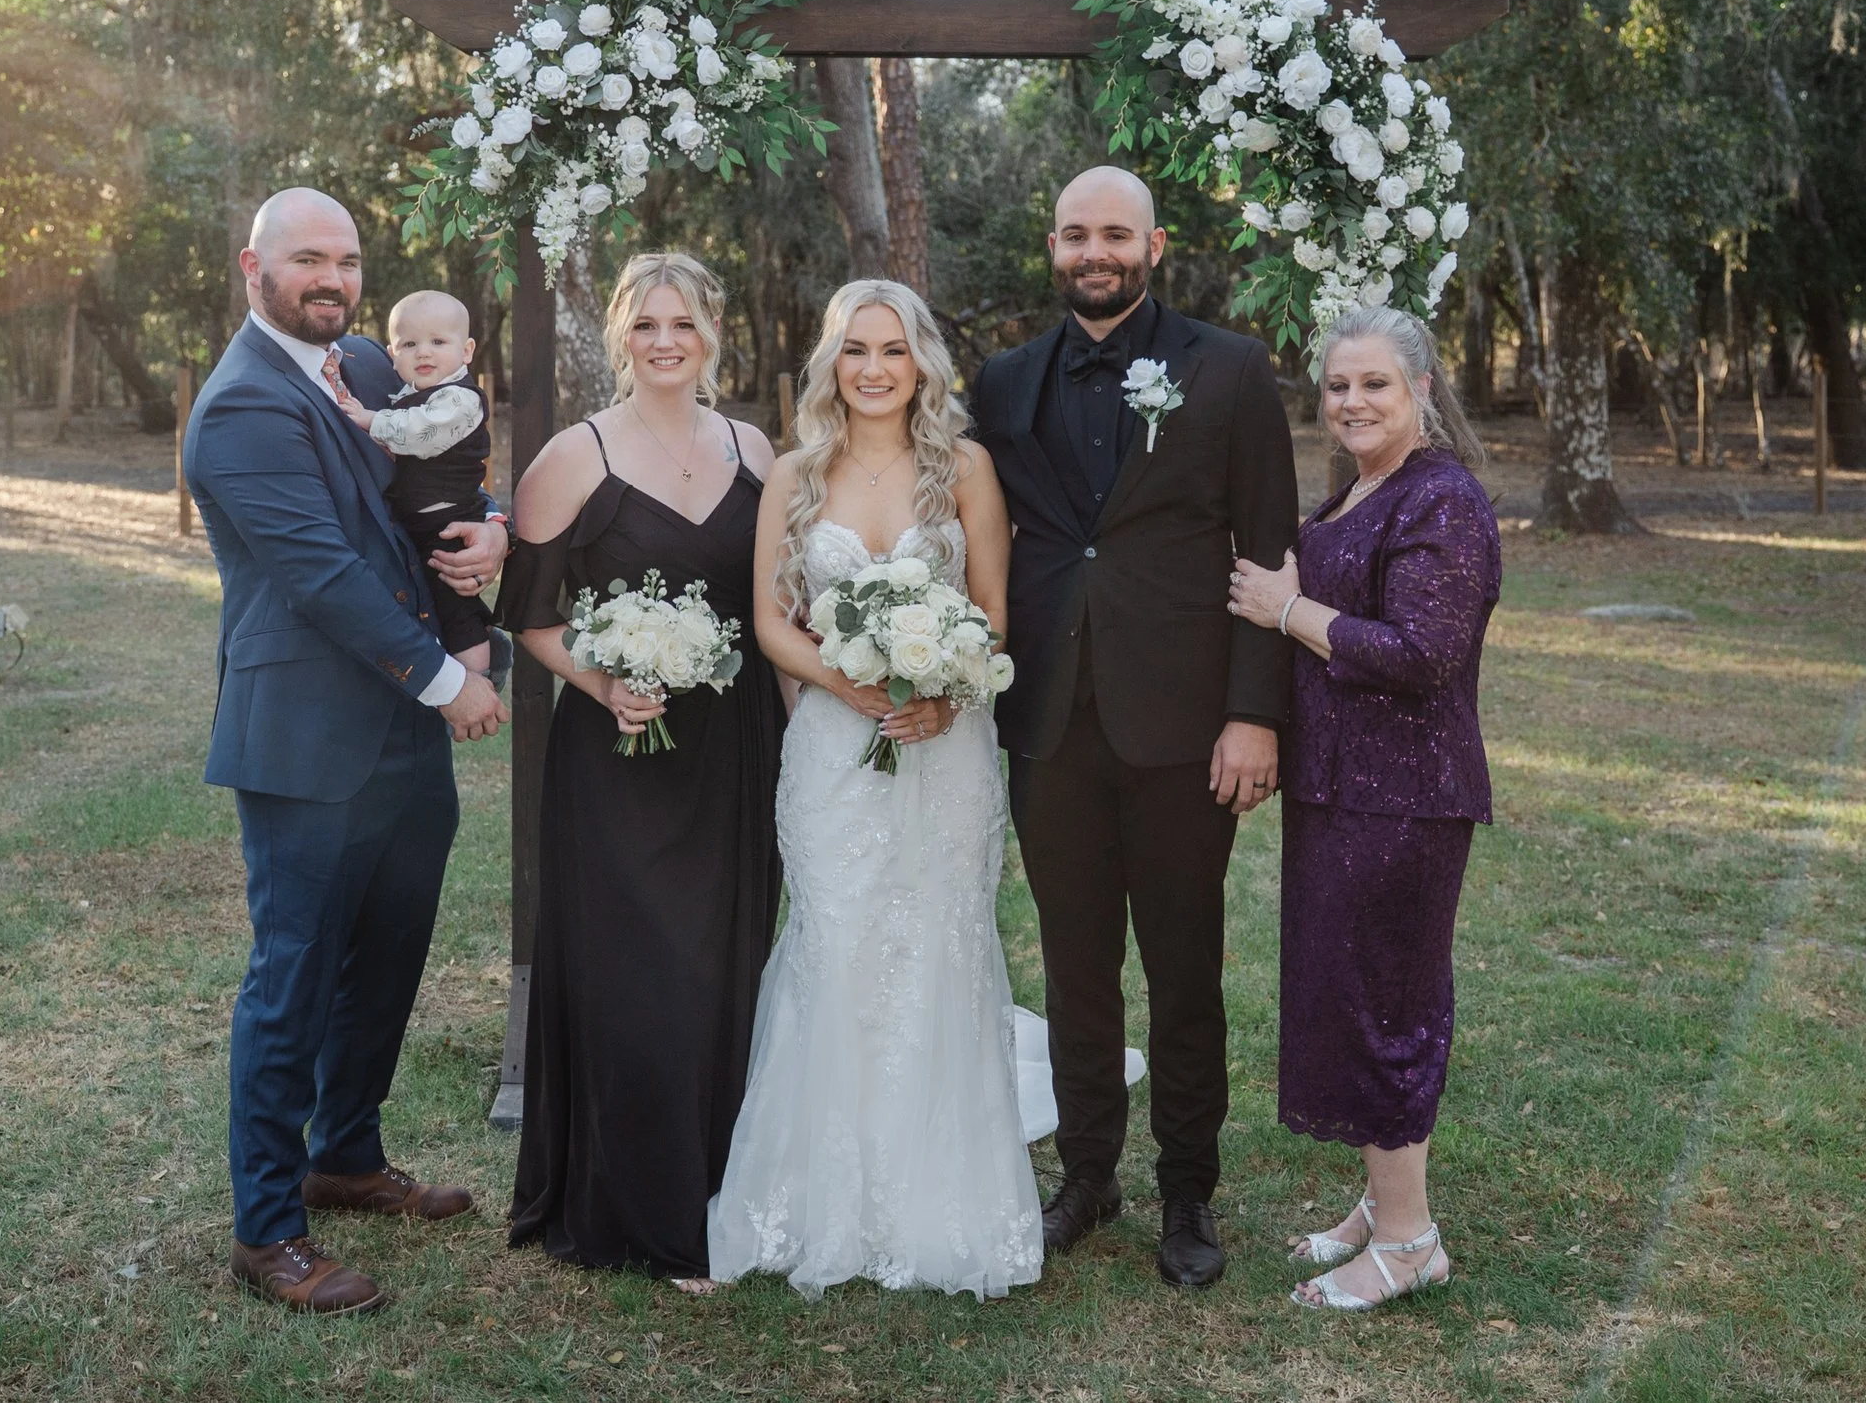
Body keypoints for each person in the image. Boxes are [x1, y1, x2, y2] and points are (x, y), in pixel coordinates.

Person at [183, 188, 512, 1316]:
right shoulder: (240, 405)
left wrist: (492, 526)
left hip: (400, 734)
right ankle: (268, 1229)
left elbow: (442, 472)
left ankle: (347, 1155)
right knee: (295, 977)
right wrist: (452, 683)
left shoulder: (369, 364)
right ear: (254, 267)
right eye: (308, 259)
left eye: (349, 260)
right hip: (308, 736)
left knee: (389, 954)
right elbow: (323, 572)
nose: (333, 279)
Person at [967, 166, 1298, 1290]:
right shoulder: (1004, 381)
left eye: (1115, 233)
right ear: (1052, 247)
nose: (1093, 252)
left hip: (1186, 726)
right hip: (1048, 720)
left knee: (1182, 965)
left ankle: (1188, 1189)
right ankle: (1088, 1173)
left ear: (1154, 246)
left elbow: (1269, 548)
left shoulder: (1230, 369)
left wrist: (1254, 715)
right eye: (1075, 234)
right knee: (1075, 964)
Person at [707, 279, 1044, 1300]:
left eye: (893, 350)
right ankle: (819, 1201)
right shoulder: (794, 472)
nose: (874, 369)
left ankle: (938, 1203)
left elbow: (991, 611)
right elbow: (771, 621)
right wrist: (846, 681)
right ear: (831, 363)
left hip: (944, 747)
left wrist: (944, 693)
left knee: (938, 942)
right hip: (831, 747)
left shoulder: (965, 468)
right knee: (836, 939)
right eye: (855, 350)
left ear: (921, 362)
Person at [493, 252, 782, 1290]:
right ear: (621, 335)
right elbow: (528, 615)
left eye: (684, 323)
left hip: (736, 747)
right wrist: (606, 680)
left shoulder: (754, 448)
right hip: (619, 755)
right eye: (647, 324)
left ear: (713, 333)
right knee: (640, 976)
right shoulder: (574, 456)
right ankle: (647, 1214)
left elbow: (776, 602)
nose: (667, 342)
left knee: (724, 968)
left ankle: (721, 1188)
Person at [1223, 303, 1500, 1312]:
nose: (1352, 401)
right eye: (1337, 385)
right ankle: (1381, 1205)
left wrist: (1287, 610)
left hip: (1405, 799)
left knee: (1388, 1006)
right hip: (1340, 790)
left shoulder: (1443, 499)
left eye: (1375, 383)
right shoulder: (1359, 490)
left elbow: (1425, 654)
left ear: (1421, 388)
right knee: (1349, 997)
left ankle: (1411, 1242)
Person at [330, 288, 504, 677]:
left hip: (449, 519)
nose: (423, 353)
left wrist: (371, 419)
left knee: (456, 606)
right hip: (420, 521)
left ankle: (479, 678)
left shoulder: (460, 400)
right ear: (393, 355)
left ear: (467, 351)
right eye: (410, 345)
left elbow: (421, 434)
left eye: (438, 342)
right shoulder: (409, 394)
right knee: (436, 603)